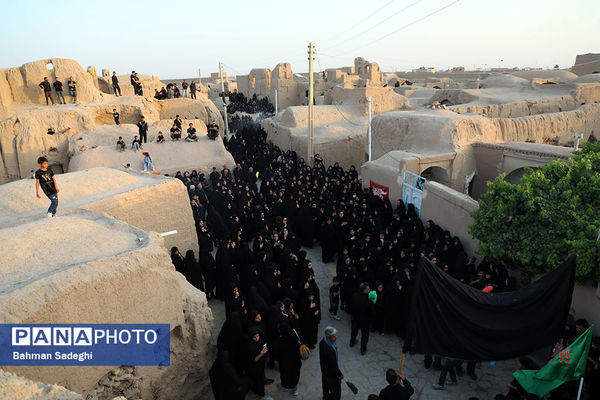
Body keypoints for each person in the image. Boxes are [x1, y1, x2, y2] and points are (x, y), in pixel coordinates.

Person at [247, 329, 274, 400]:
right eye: (254, 337)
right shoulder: (250, 346)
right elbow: (254, 359)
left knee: (260, 377)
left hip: (260, 364)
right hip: (255, 366)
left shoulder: (259, 340)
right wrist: (262, 354)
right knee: (258, 380)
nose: (257, 338)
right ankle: (260, 393)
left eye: (257, 336)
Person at [349, 282, 375, 355]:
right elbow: (372, 311)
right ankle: (363, 349)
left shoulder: (354, 295)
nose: (369, 289)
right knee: (365, 335)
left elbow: (350, 306)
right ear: (365, 290)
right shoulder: (368, 299)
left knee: (354, 331)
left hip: (355, 318)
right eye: (368, 288)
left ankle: (352, 342)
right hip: (365, 320)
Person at [276, 323, 302, 396]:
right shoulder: (294, 335)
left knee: (286, 375)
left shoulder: (280, 339)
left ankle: (285, 386)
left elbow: (277, 352)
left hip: (285, 362)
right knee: (295, 375)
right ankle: (295, 389)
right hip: (295, 361)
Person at [320, 326, 344, 400]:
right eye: (334, 336)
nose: (336, 337)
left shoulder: (322, 341)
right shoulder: (330, 350)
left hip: (324, 371)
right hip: (331, 374)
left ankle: (325, 397)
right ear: (329, 337)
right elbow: (333, 366)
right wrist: (340, 374)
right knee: (337, 392)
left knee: (326, 387)